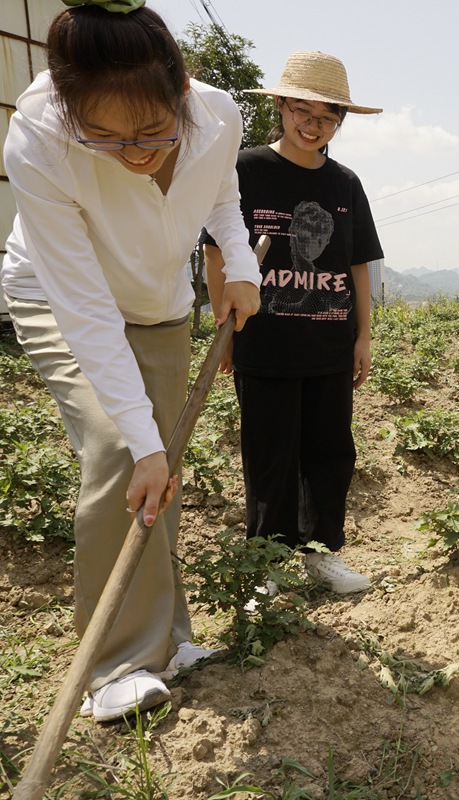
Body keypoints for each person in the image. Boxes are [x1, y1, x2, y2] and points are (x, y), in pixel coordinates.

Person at [1, 0, 262, 720]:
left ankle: (167, 640)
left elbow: (223, 195)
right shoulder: (39, 138)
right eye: (106, 138)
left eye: (153, 131)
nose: (136, 152)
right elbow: (85, 308)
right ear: (69, 107)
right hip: (61, 297)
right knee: (126, 447)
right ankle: (117, 665)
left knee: (162, 464)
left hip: (159, 302)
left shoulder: (217, 115)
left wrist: (239, 263)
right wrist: (142, 440)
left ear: (182, 90)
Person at [202, 51, 383, 596]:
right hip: (264, 343)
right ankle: (268, 564)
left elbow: (358, 264)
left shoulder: (345, 184)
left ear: (339, 123)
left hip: (330, 344)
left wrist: (363, 335)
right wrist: (223, 329)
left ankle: (322, 555)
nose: (313, 126)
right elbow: (216, 252)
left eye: (328, 118)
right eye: (303, 111)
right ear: (281, 106)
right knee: (270, 457)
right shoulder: (247, 170)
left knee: (331, 454)